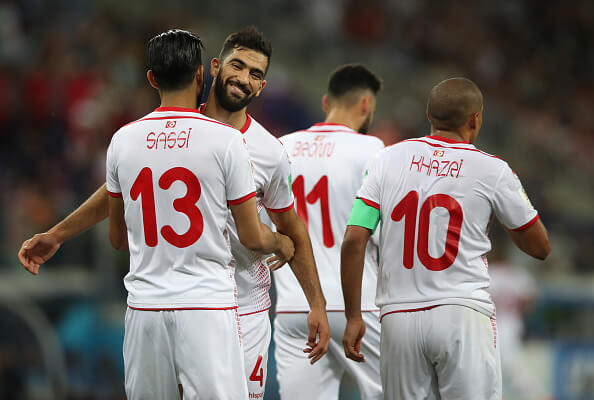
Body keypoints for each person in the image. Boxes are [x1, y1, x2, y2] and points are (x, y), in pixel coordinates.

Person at [18, 27, 330, 398]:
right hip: (208, 305)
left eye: (256, 74)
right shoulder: (205, 132)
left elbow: (292, 224)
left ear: (262, 86)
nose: (244, 79)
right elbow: (119, 189)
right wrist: (58, 233)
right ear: (211, 69)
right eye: (238, 66)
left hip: (241, 307)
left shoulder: (268, 151)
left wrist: (317, 303)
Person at [341, 77, 551, 399]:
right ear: (475, 119)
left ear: (428, 114)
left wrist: (354, 315)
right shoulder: (491, 169)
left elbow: (354, 240)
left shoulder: (386, 159)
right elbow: (539, 247)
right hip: (461, 311)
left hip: (398, 317)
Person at [275, 64, 384, 400]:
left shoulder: (281, 147)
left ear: (326, 103)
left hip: (297, 307)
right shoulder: (373, 150)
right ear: (366, 105)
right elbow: (384, 233)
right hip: (360, 306)